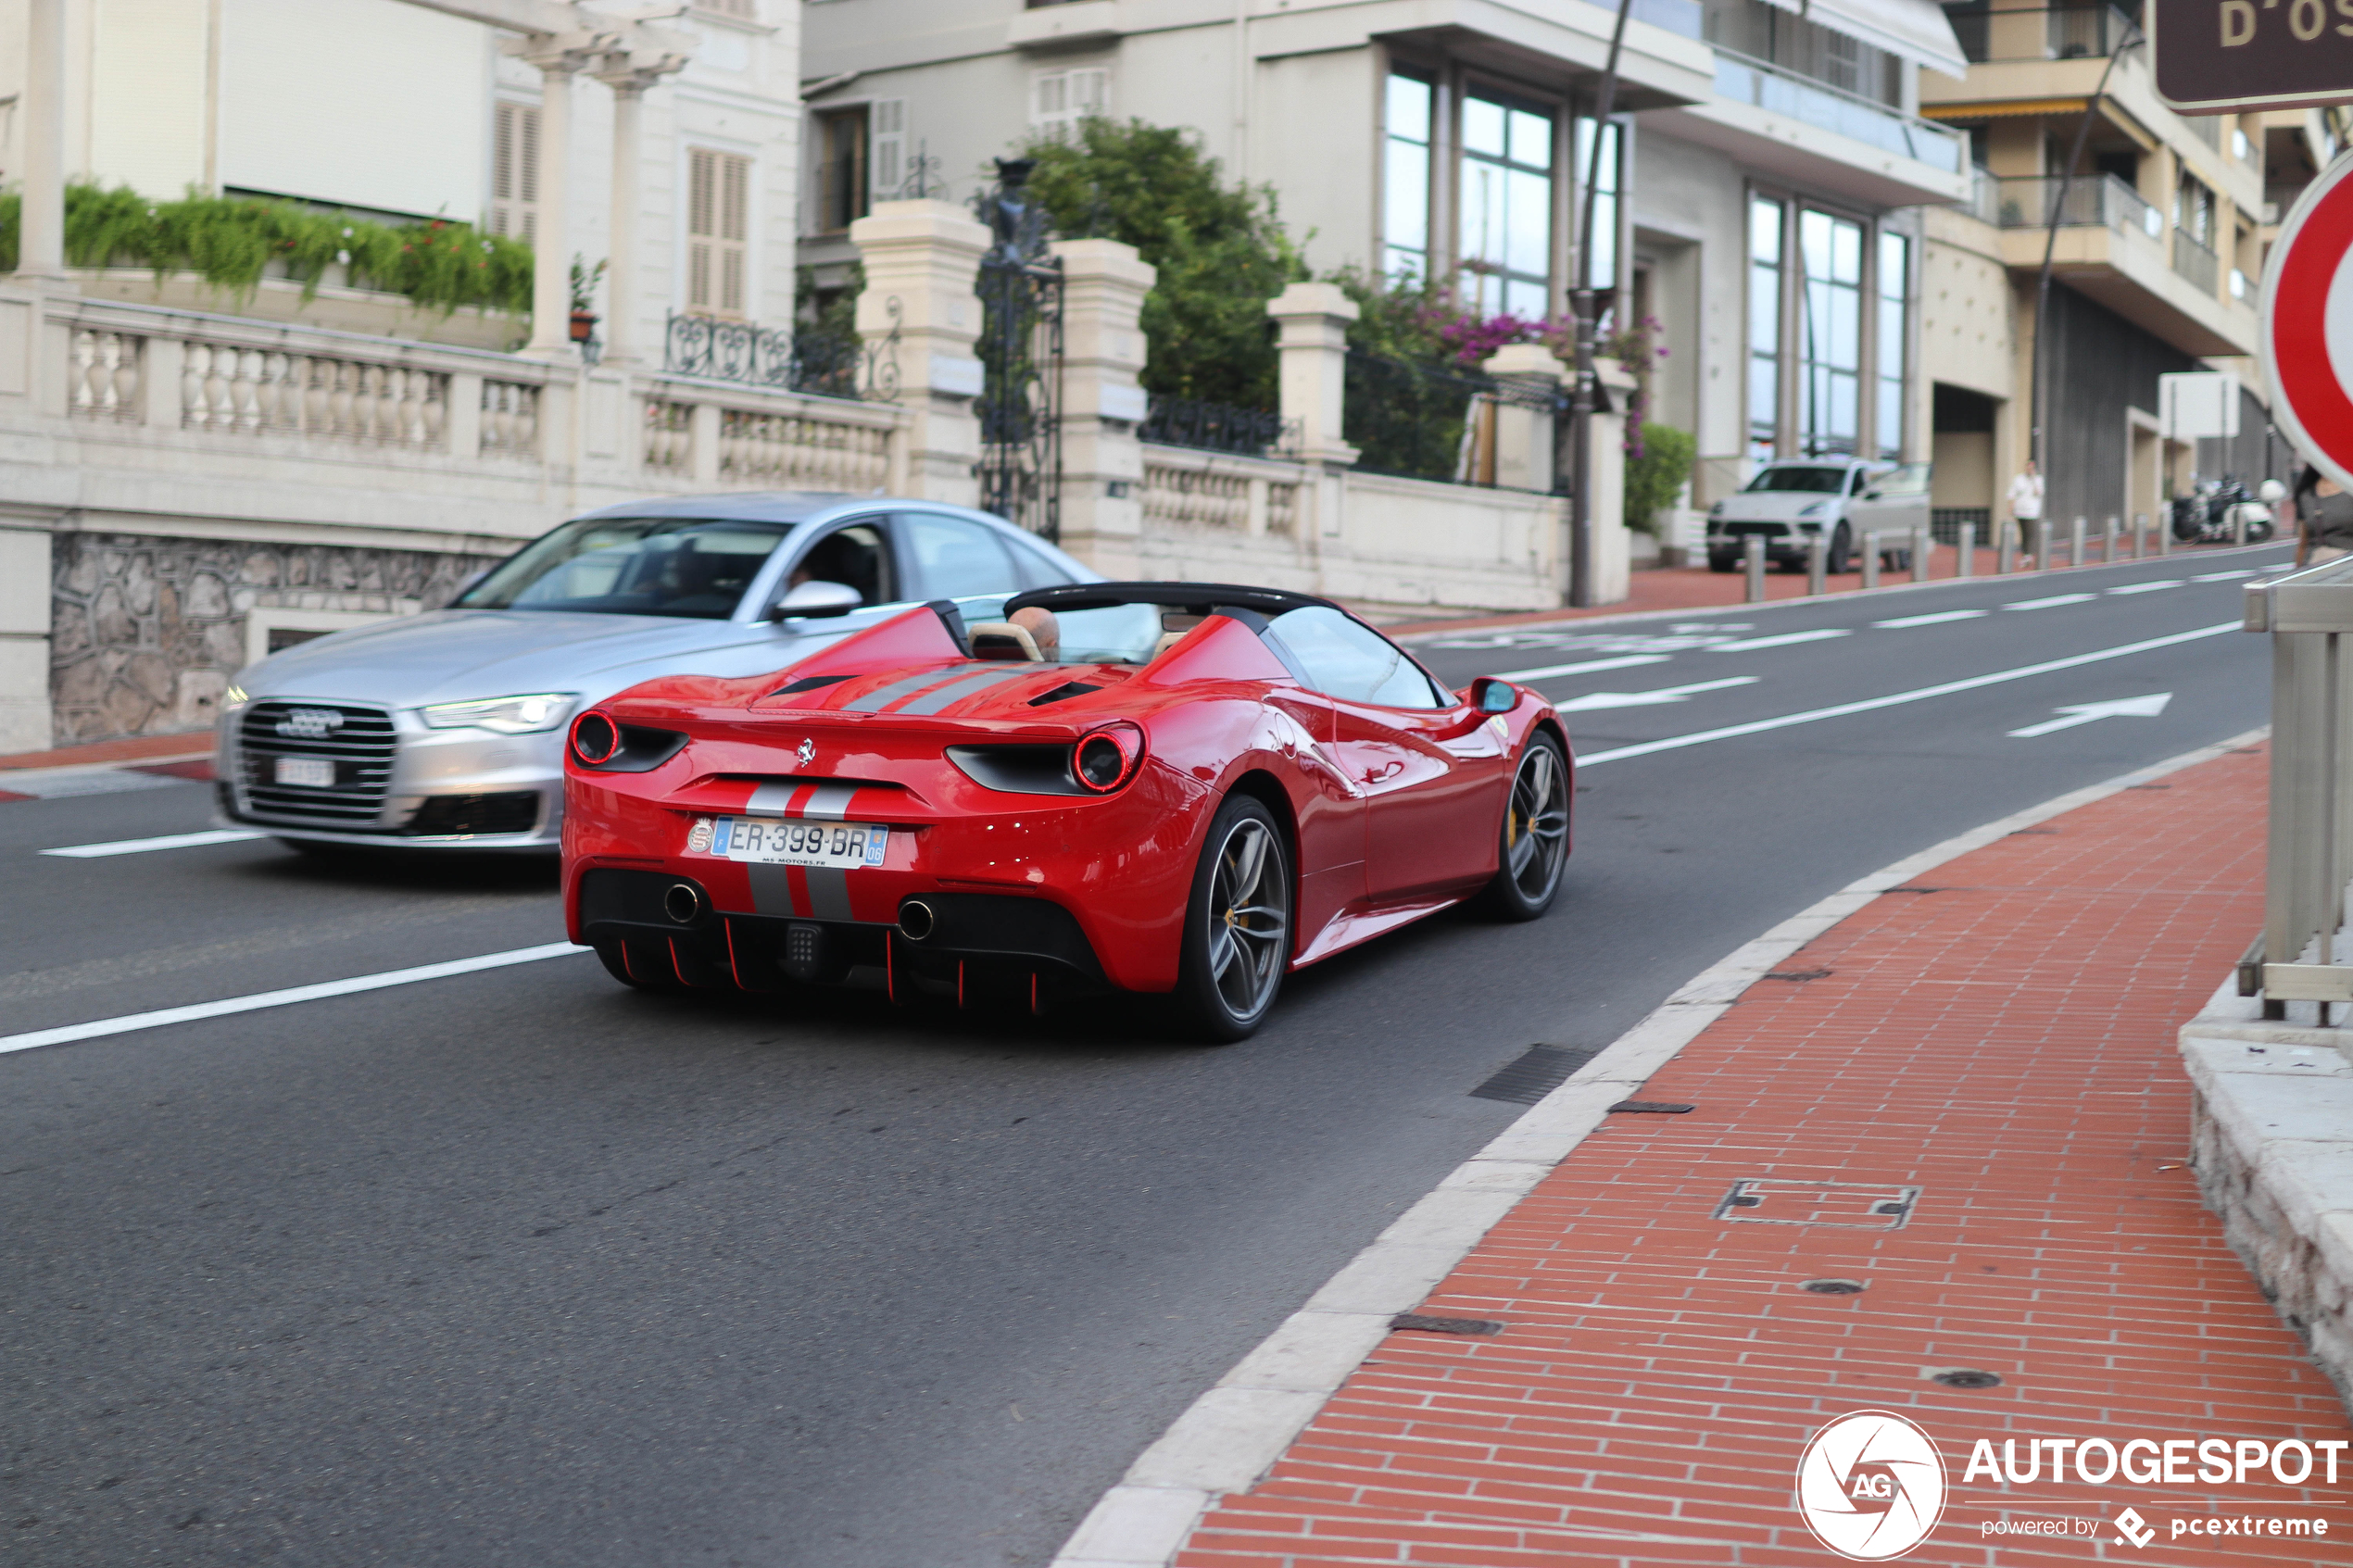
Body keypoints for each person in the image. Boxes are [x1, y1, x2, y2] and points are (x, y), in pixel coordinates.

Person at [2292, 464, 2353, 567]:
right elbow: (2303, 542)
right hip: (2314, 567)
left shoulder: (2349, 488)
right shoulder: (2306, 495)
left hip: (2347, 568)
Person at [2007, 459, 2045, 558]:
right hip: (2020, 510)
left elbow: (2039, 493)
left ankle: (2029, 554)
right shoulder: (2018, 478)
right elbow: (2012, 493)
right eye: (2028, 467)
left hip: (2032, 511)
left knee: (2030, 533)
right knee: (2023, 533)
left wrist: (2033, 479)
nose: (2029, 469)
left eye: (2032, 468)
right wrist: (2011, 507)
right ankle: (2025, 553)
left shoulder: (2038, 479)